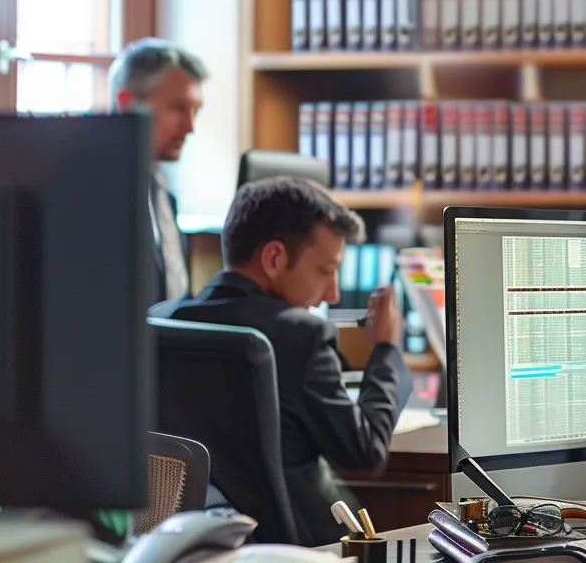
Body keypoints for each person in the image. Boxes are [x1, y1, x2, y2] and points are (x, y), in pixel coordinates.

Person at [150, 177, 411, 546]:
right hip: (302, 550)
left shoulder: (160, 322)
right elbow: (364, 452)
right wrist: (386, 349)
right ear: (274, 258)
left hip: (188, 547)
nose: (332, 292)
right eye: (325, 270)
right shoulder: (300, 335)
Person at [109, 37, 208, 304]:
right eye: (177, 108)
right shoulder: (97, 195)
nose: (190, 126)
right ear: (126, 103)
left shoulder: (161, 191)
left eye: (195, 111)